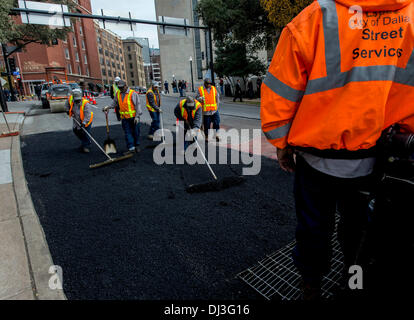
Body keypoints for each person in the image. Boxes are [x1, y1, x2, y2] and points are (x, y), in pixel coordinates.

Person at [261, 0, 414, 300]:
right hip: (377, 159)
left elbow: (282, 88)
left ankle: (311, 287)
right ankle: (354, 282)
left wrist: (281, 142)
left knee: (313, 229)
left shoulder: (317, 16)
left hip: (316, 160)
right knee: (359, 231)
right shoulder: (410, 17)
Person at [103, 80, 142, 154]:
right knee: (127, 133)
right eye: (119, 87)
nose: (120, 89)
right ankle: (131, 148)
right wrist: (108, 107)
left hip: (133, 117)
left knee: (136, 132)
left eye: (122, 87)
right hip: (124, 118)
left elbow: (138, 105)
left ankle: (136, 145)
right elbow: (114, 103)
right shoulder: (118, 94)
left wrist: (137, 116)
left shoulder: (132, 93)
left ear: (125, 86)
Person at [65, 89, 93, 153]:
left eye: (78, 100)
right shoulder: (71, 100)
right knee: (76, 131)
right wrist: (67, 110)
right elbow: (66, 104)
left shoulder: (86, 104)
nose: (77, 101)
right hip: (77, 119)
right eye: (76, 100)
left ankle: (86, 146)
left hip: (86, 120)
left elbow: (87, 115)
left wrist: (84, 123)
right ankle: (86, 141)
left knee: (85, 132)